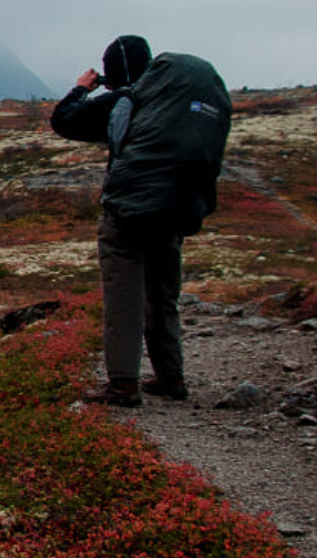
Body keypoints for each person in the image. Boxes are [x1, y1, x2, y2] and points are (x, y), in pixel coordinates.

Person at [48, 34, 232, 408]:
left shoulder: (125, 100)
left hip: (129, 211)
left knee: (124, 293)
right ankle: (171, 378)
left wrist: (82, 89)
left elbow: (63, 121)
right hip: (177, 207)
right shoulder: (167, 103)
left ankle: (122, 385)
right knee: (164, 294)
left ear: (112, 70)